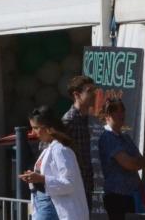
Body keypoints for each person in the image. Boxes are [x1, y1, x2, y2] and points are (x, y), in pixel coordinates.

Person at [19, 106, 89, 220]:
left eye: (35, 128)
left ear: (47, 128)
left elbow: (69, 183)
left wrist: (41, 179)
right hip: (44, 205)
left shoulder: (61, 150)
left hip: (53, 208)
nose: (32, 132)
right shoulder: (48, 149)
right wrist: (34, 177)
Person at [97, 98, 145, 220]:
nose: (121, 114)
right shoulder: (107, 137)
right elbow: (129, 164)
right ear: (107, 115)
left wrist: (135, 162)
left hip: (132, 195)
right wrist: (134, 162)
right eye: (116, 111)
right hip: (116, 197)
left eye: (122, 111)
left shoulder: (126, 137)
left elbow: (142, 161)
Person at [62, 75, 96, 209]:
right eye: (89, 91)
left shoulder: (87, 119)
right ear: (77, 95)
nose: (94, 95)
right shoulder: (69, 120)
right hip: (74, 186)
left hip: (86, 184)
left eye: (94, 91)